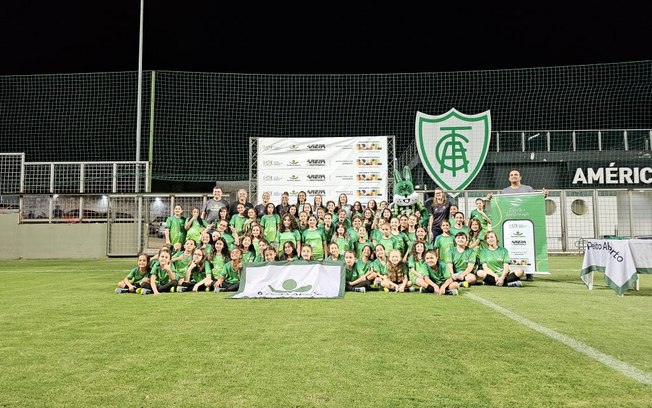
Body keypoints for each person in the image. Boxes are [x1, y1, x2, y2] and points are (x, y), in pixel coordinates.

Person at [487, 168, 548, 281]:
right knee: (512, 247)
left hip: (526, 222)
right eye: (511, 175)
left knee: (527, 246)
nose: (513, 176)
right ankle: (512, 270)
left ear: (520, 177)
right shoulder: (504, 191)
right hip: (511, 223)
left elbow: (535, 201)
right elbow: (500, 205)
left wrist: (543, 195)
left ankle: (530, 272)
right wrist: (491, 199)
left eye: (516, 174)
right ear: (509, 178)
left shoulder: (528, 189)